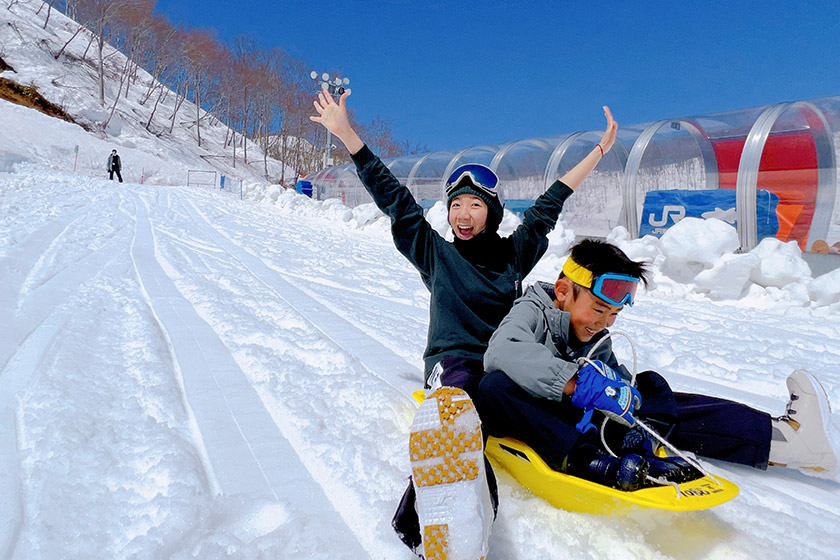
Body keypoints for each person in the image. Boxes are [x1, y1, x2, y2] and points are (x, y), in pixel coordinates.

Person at [311, 90, 617, 559]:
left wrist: (597, 152)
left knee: (536, 393)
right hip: (454, 366)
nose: (463, 215)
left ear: (491, 213)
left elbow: (551, 202)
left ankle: (599, 444)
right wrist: (348, 135)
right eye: (455, 206)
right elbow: (394, 200)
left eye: (474, 205)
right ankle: (443, 525)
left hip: (503, 364)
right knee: (460, 409)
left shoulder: (513, 254)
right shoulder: (437, 254)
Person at [478, 238, 838, 493]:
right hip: (544, 421)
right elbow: (502, 352)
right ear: (562, 291)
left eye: (614, 314)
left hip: (586, 420)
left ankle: (781, 439)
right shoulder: (532, 310)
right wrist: (575, 382)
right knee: (494, 387)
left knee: (651, 386)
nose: (604, 322)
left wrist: (625, 394)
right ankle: (593, 461)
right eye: (599, 310)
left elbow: (615, 377)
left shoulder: (594, 337)